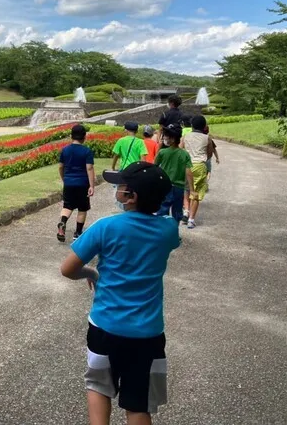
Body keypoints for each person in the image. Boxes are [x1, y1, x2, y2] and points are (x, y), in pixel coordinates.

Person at [60, 162, 179, 425]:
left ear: (131, 197)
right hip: (147, 333)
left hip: (105, 326)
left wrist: (91, 273)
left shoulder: (106, 227)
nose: (117, 189)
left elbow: (68, 269)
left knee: (99, 388)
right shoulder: (168, 230)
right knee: (138, 404)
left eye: (121, 186)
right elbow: (168, 233)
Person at [57, 124, 96, 242]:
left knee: (67, 206)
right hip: (82, 183)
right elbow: (89, 168)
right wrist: (91, 186)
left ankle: (62, 222)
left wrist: (64, 179)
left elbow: (60, 167)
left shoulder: (65, 150)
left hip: (69, 182)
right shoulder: (87, 151)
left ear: (71, 136)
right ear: (84, 136)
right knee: (82, 209)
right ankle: (78, 233)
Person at [155, 124, 194, 224]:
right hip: (179, 187)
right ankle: (175, 234)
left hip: (164, 186)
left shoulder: (162, 152)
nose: (164, 138)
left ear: (172, 139)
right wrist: (192, 190)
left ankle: (162, 234)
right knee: (177, 213)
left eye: (166, 136)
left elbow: (154, 166)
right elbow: (188, 172)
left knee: (162, 211)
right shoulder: (184, 154)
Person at [182, 115, 214, 229]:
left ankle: (186, 211)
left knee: (186, 189)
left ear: (192, 125)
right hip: (200, 165)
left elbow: (181, 150)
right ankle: (191, 219)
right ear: (204, 126)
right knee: (196, 192)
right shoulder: (207, 138)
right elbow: (209, 154)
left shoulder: (185, 136)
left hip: (186, 165)